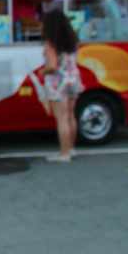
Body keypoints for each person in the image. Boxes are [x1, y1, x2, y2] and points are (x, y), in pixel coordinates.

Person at [41, 9, 82, 162]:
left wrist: (42, 71)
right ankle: (71, 149)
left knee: (62, 119)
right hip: (73, 78)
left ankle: (64, 154)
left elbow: (52, 66)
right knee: (71, 116)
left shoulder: (51, 43)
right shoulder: (73, 41)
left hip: (58, 83)